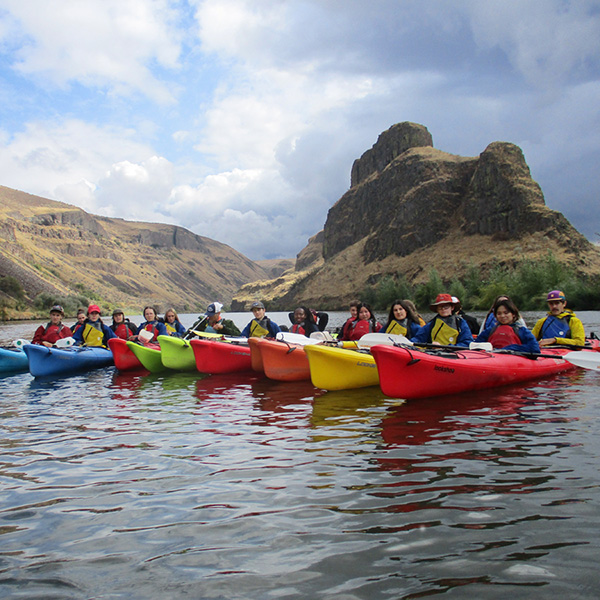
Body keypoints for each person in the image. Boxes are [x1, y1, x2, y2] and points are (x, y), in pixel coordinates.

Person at [475, 297, 539, 353]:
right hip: (493, 357)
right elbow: (476, 345)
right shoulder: (490, 330)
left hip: (513, 360)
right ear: (496, 316)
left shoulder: (521, 330)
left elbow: (534, 348)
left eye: (506, 313)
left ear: (513, 314)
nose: (502, 316)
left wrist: (510, 348)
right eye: (499, 313)